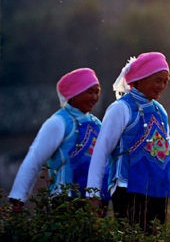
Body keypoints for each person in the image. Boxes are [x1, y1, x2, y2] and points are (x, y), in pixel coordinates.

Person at [86, 52, 170, 233]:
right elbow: (101, 152)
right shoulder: (120, 108)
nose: (162, 86)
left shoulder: (160, 111)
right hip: (128, 189)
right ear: (140, 78)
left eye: (165, 81)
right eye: (157, 80)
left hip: (157, 188)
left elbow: (168, 149)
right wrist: (93, 193)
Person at [9, 68, 109, 204]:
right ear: (74, 94)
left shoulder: (96, 123)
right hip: (66, 200)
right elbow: (34, 160)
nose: (94, 97)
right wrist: (17, 198)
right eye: (89, 92)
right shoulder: (58, 122)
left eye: (97, 92)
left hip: (95, 200)